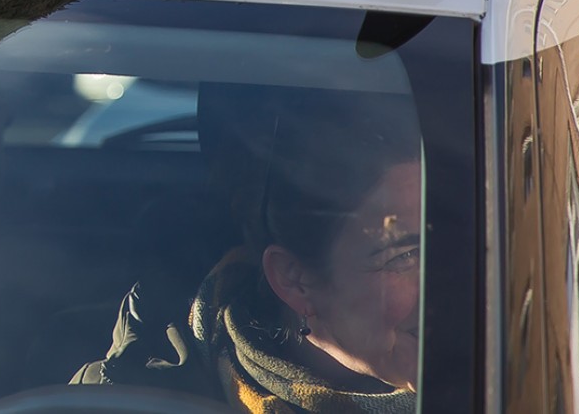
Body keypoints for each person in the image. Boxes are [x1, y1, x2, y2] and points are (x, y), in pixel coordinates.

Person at [73, 86, 422, 412]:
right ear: (295, 280)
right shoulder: (125, 397)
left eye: (461, 242)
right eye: (404, 256)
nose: (459, 285)